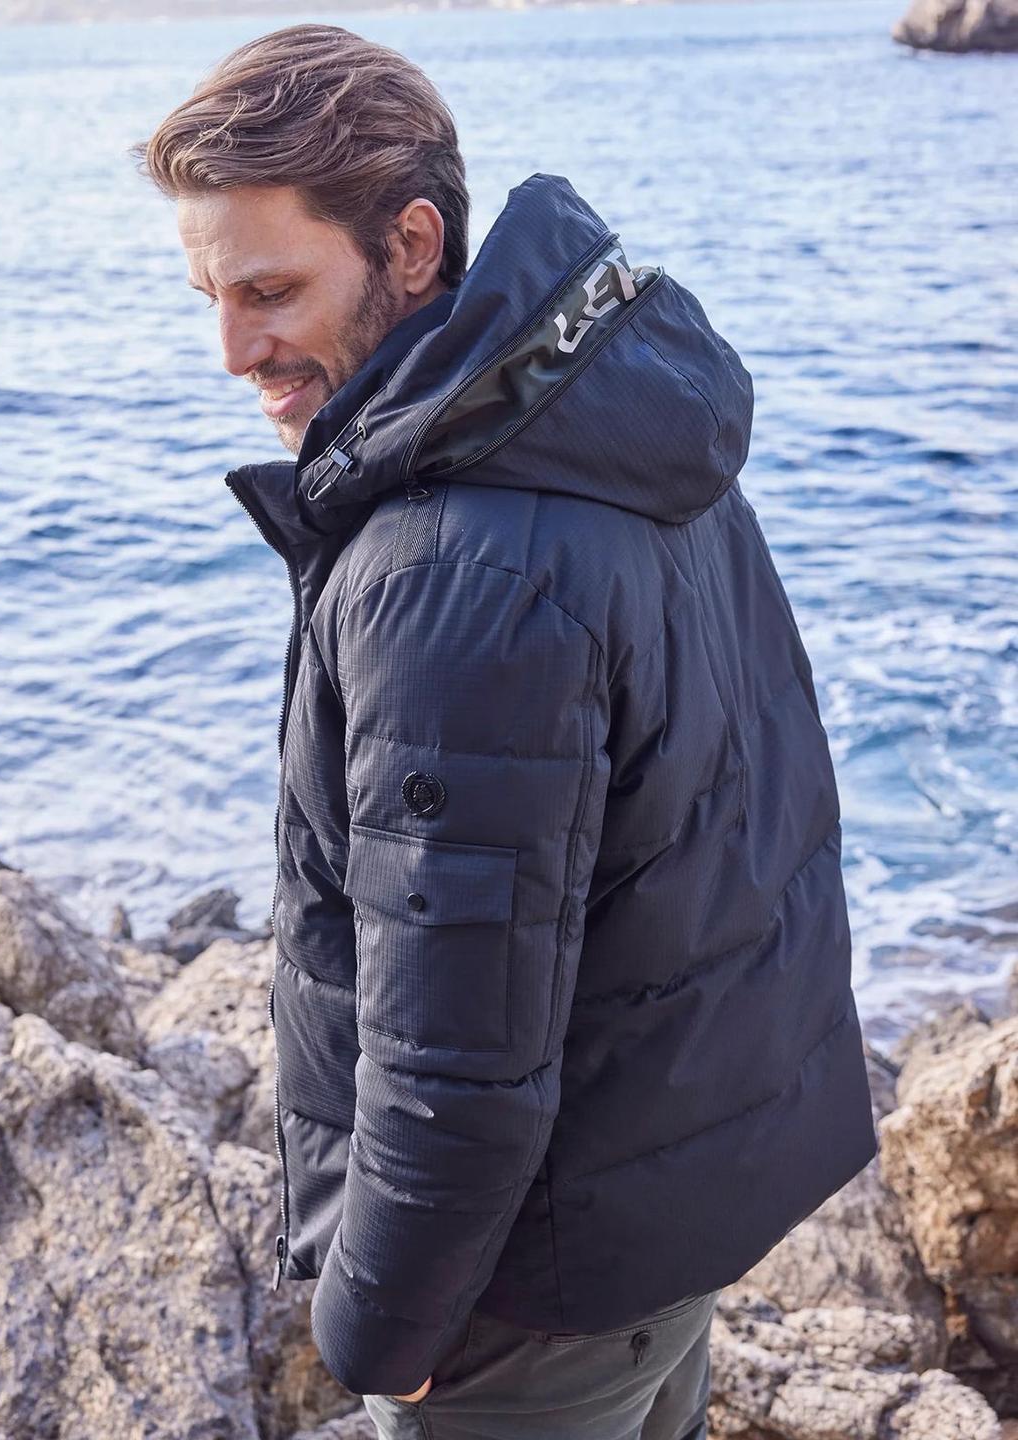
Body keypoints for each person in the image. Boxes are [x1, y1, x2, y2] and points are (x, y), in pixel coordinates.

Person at [131, 24, 879, 1439]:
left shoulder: (449, 574)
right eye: (208, 298)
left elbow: (453, 1047)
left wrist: (383, 1331)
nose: (232, 351)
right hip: (666, 1222)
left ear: (411, 245)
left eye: (271, 291)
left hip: (527, 1300)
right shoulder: (608, 420)